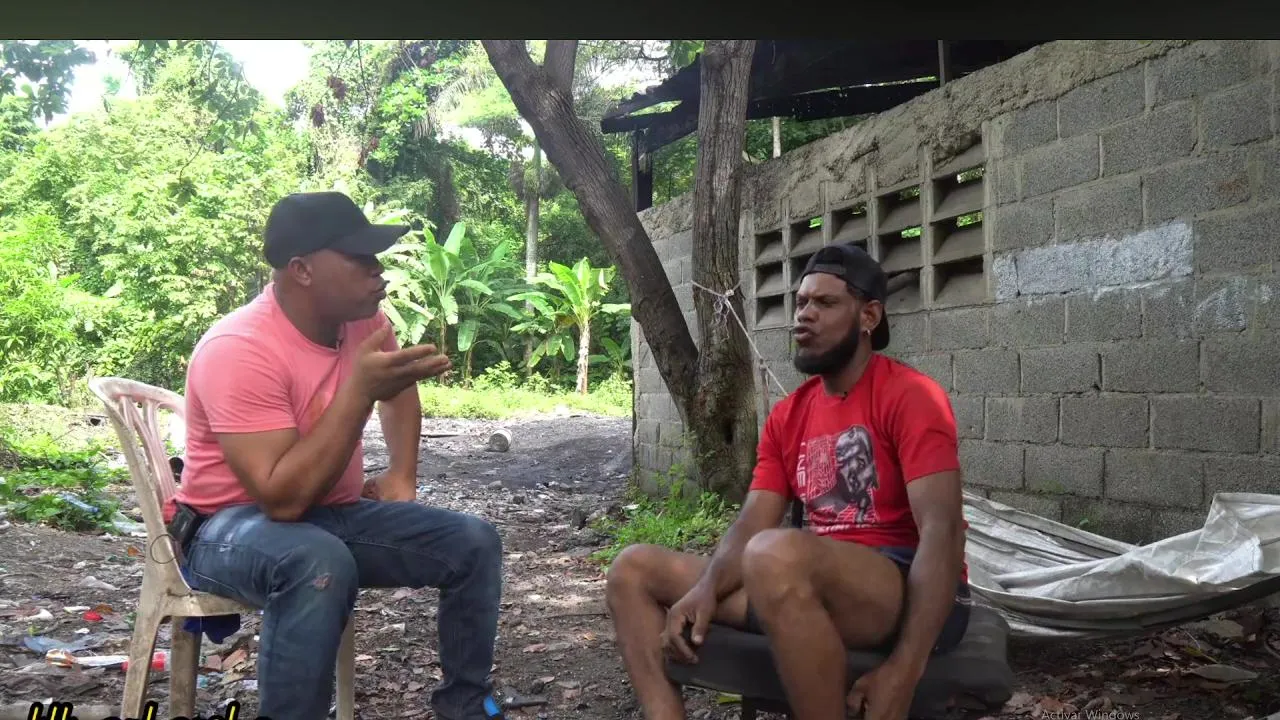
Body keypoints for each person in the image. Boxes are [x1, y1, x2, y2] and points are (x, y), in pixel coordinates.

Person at [163, 191, 506, 720]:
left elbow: (398, 391)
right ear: (301, 269)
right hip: (225, 530)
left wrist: (402, 474)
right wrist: (358, 392)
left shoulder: (363, 322)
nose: (377, 270)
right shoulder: (239, 347)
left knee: (473, 542)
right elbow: (282, 501)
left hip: (330, 516)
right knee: (316, 561)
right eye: (359, 257)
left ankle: (465, 706)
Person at [605, 243, 970, 720]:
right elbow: (752, 522)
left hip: (898, 589)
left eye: (825, 303)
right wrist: (708, 588)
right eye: (801, 303)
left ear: (869, 316)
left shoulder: (912, 396)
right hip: (797, 583)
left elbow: (943, 533)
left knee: (773, 553)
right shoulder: (789, 415)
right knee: (631, 569)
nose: (804, 316)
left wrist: (903, 671)